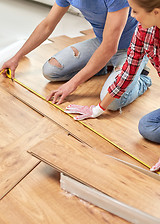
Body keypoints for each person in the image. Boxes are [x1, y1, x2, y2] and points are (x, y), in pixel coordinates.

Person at [1, 0, 151, 113]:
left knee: (112, 102)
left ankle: (141, 79)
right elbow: (47, 25)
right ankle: (105, 67)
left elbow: (110, 47)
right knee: (51, 70)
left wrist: (72, 84)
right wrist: (17, 57)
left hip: (131, 48)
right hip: (101, 42)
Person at [65, 0, 160, 172]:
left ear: (156, 12)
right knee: (147, 127)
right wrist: (98, 109)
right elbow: (128, 71)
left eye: (136, 12)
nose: (131, 16)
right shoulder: (143, 30)